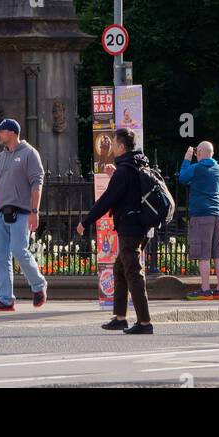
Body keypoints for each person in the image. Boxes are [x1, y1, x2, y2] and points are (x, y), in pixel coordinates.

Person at [76, 128, 154, 335]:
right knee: (120, 269)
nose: (111, 148)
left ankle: (145, 322)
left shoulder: (124, 170)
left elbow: (108, 199)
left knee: (133, 272)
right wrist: (114, 176)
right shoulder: (139, 164)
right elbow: (129, 192)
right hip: (143, 225)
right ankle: (120, 317)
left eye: (114, 144)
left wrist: (86, 221)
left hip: (130, 226)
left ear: (120, 146)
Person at [0, 118, 47, 312]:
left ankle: (38, 286)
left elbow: (37, 184)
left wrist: (34, 211)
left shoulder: (30, 153)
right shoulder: (0, 157)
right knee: (1, 256)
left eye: (0, 132)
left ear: (11, 132)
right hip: (0, 214)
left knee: (19, 250)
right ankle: (5, 300)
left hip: (21, 213)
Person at [178, 141, 219, 301]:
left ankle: (205, 290)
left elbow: (182, 178)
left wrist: (186, 159)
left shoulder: (197, 168)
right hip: (218, 214)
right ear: (212, 153)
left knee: (204, 256)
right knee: (218, 255)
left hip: (201, 214)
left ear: (199, 153)